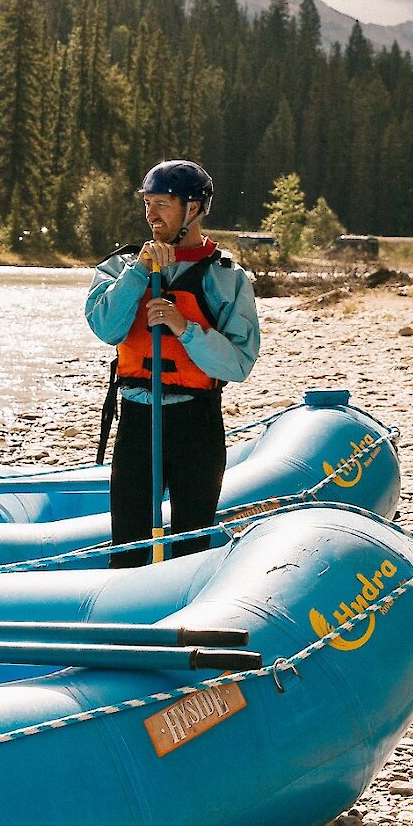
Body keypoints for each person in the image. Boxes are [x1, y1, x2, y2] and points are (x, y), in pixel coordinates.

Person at [85, 160, 260, 568]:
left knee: (191, 546)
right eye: (148, 203)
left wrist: (186, 329)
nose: (151, 215)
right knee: (128, 546)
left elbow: (238, 363)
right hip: (138, 422)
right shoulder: (119, 267)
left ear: (194, 208)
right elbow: (107, 328)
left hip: (196, 425)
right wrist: (139, 274)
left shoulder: (226, 277)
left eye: (162, 203)